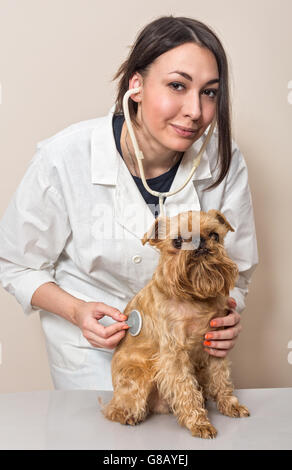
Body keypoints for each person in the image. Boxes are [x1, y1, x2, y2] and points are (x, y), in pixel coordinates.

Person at [0, 15, 258, 390]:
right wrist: (76, 311)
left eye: (209, 92)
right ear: (136, 85)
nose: (196, 111)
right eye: (177, 85)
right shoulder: (64, 157)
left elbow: (240, 267)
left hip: (185, 353)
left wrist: (225, 313)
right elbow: (16, 264)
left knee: (182, 447)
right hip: (93, 357)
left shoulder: (223, 159)